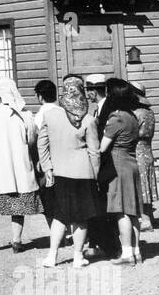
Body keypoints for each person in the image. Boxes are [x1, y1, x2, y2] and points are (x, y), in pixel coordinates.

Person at [36, 77, 101, 267]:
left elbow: (42, 145)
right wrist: (95, 175)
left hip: (59, 172)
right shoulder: (88, 120)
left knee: (59, 216)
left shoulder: (51, 117)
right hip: (83, 173)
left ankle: (52, 255)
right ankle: (78, 256)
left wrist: (47, 167)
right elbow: (94, 152)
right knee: (81, 219)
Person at [0, 76, 42, 253]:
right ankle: (16, 241)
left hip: (0, 167)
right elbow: (31, 139)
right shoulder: (26, 115)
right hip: (20, 166)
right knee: (18, 205)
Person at [98, 78, 142, 265]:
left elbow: (102, 147)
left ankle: (126, 255)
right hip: (131, 163)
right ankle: (136, 251)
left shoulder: (116, 118)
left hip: (118, 165)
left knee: (121, 211)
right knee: (132, 212)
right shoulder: (132, 116)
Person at [131, 81, 158, 230]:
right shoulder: (149, 112)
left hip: (137, 150)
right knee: (146, 184)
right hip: (147, 150)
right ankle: (150, 216)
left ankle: (146, 220)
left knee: (140, 185)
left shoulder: (136, 113)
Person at [32, 80, 59, 224]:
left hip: (45, 159)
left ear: (40, 96)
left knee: (48, 197)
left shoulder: (40, 114)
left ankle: (56, 230)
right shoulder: (61, 111)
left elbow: (36, 138)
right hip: (62, 158)